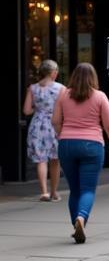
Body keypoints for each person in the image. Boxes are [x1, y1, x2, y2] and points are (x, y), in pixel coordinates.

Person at [52, 63, 109, 244]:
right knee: (87, 189)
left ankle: (76, 224)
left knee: (75, 190)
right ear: (93, 78)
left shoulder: (63, 95)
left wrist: (63, 135)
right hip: (92, 144)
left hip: (66, 144)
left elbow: (55, 121)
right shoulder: (100, 96)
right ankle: (81, 218)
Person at [23, 59, 64, 201]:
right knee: (55, 159)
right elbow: (65, 108)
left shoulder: (32, 88)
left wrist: (39, 109)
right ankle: (54, 192)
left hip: (37, 125)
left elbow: (27, 110)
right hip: (55, 124)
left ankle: (44, 192)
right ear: (53, 73)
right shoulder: (60, 88)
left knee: (41, 160)